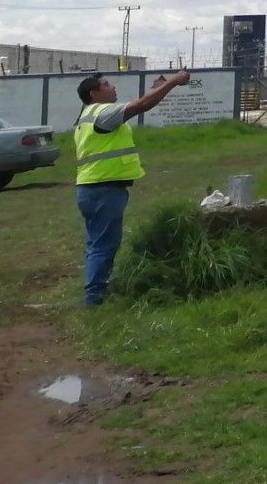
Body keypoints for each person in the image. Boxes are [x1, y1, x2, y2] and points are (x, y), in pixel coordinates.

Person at [71, 69, 193, 307]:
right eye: (107, 84)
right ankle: (95, 298)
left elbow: (142, 102)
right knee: (104, 244)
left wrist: (161, 86)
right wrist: (173, 83)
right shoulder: (102, 113)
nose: (113, 87)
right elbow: (142, 105)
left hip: (92, 189)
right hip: (103, 189)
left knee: (96, 243)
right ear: (94, 93)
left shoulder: (88, 115)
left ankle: (96, 290)